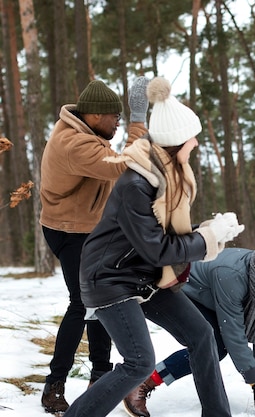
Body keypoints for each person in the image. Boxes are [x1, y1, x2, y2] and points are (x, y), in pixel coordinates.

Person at [62, 76, 245, 417]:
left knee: (202, 335)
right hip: (109, 279)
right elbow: (157, 249)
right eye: (193, 138)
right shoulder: (137, 182)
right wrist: (206, 239)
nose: (196, 143)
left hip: (146, 277)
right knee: (139, 361)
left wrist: (210, 232)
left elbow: (162, 238)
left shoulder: (171, 174)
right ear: (177, 142)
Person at [39, 77, 150, 414]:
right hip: (71, 232)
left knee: (102, 301)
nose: (117, 122)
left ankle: (100, 375)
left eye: (120, 116)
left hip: (87, 229)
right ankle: (54, 385)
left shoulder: (85, 134)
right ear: (94, 115)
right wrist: (138, 120)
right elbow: (129, 165)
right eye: (113, 116)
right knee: (81, 303)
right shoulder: (75, 143)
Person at [123, 236, 255, 417]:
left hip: (212, 299)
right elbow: (233, 332)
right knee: (213, 346)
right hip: (183, 291)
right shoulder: (231, 274)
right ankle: (146, 381)